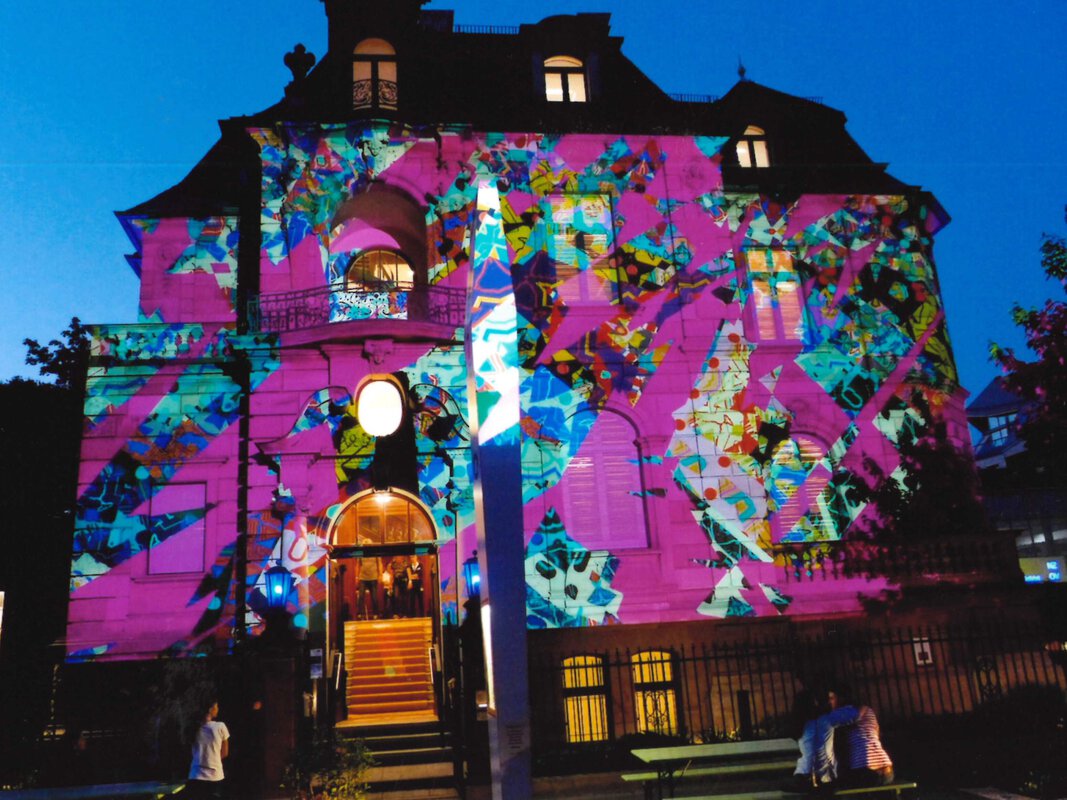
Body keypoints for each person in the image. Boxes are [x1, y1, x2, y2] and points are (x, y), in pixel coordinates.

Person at [812, 685, 894, 788]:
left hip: (868, 770)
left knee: (831, 785)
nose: (829, 702)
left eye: (832, 698)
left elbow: (827, 720)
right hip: (887, 771)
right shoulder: (867, 710)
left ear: (841, 699)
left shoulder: (850, 712)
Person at [781, 689, 832, 792]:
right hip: (818, 764)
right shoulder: (811, 722)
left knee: (810, 755)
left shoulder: (805, 722)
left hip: (814, 762)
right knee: (811, 755)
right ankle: (803, 779)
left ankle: (803, 779)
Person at [186, 699, 230, 799]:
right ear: (211, 709)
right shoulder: (220, 726)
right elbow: (225, 753)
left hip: (195, 775)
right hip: (215, 776)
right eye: (216, 707)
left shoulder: (193, 728)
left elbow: (191, 752)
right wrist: (212, 760)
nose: (218, 709)